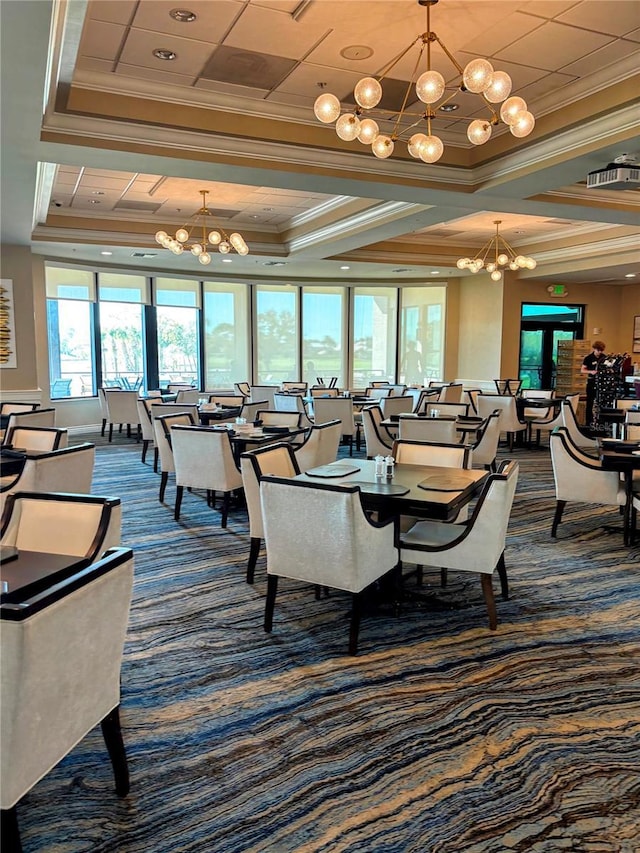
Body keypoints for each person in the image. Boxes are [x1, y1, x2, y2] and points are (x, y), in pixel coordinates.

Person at [581, 340, 606, 426]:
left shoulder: (604, 357)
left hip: (601, 383)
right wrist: (591, 371)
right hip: (591, 382)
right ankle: (589, 422)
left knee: (601, 402)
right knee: (590, 403)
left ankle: (600, 421)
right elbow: (582, 370)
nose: (600, 352)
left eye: (601, 351)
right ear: (594, 349)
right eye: (598, 350)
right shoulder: (588, 358)